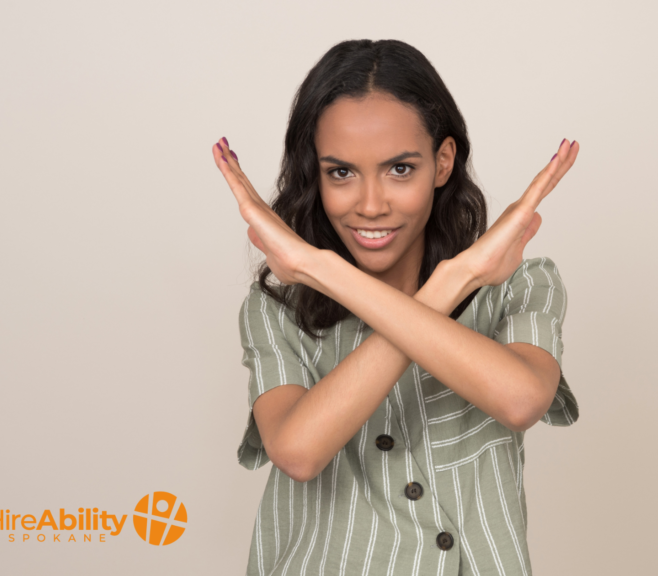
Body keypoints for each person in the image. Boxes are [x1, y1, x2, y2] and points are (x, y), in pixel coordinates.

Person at [213, 39, 580, 576]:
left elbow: (521, 399)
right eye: (340, 172)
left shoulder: (521, 285)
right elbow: (298, 451)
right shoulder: (278, 308)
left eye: (400, 169)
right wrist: (451, 283)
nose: (369, 204)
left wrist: (329, 268)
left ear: (443, 161)